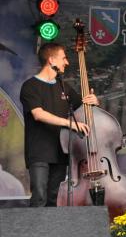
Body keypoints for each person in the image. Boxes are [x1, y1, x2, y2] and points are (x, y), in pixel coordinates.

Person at [19, 42, 98, 207]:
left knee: (54, 199)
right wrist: (70, 123)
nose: (67, 62)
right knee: (39, 196)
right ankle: (35, 225)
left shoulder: (64, 87)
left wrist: (93, 102)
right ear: (51, 60)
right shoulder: (30, 86)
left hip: (61, 151)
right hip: (39, 152)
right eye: (64, 58)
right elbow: (38, 114)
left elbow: (82, 108)